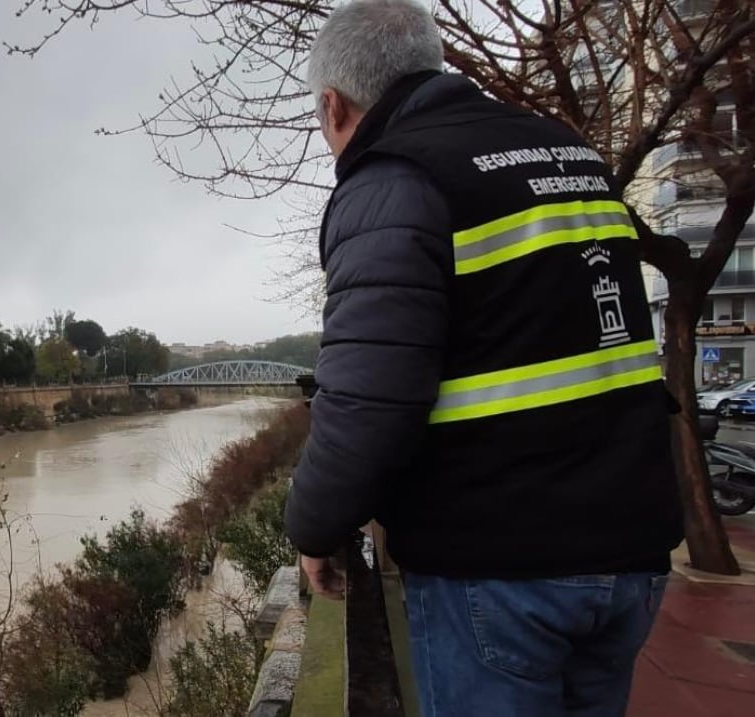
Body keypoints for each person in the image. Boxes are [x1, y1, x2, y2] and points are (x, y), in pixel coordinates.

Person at [282, 1, 683, 715]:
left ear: (333, 106)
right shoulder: (565, 151)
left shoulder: (395, 180)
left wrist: (312, 526)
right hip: (631, 547)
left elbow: (368, 399)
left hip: (501, 564)